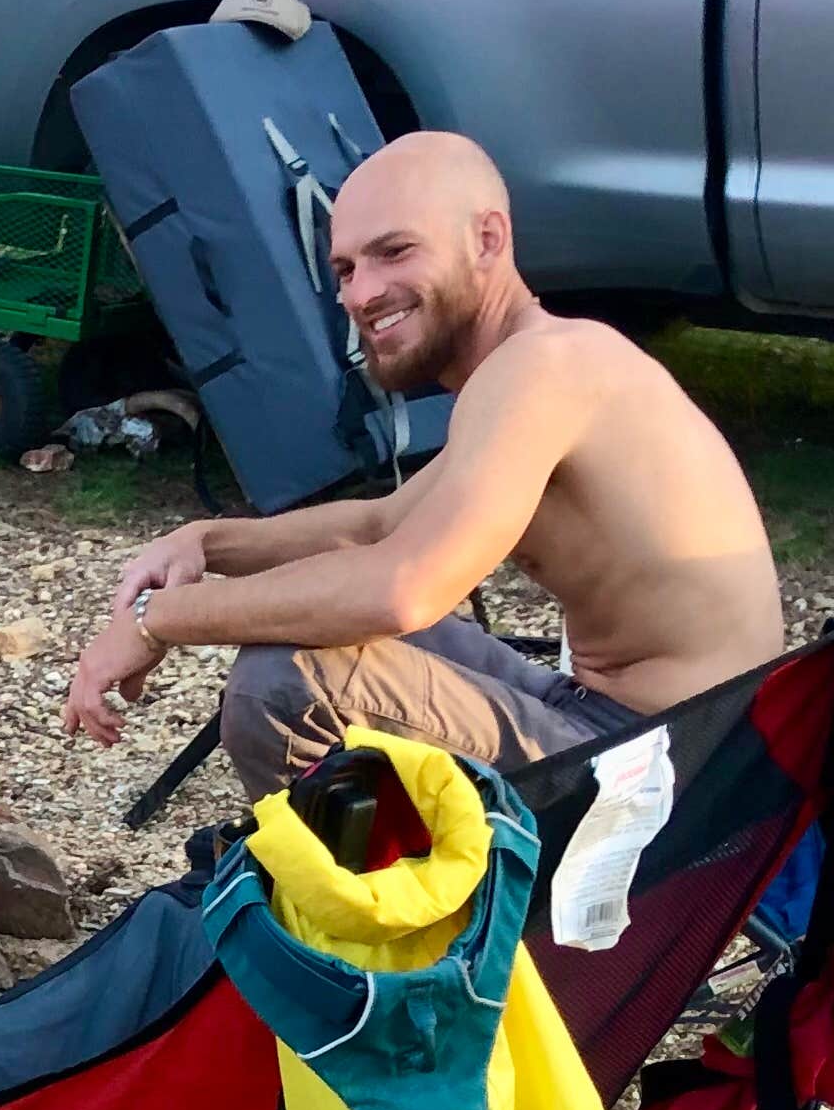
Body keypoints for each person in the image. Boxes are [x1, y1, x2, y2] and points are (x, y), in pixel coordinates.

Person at [63, 130, 785, 796]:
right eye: (345, 268)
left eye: (394, 251)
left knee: (282, 682)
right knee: (312, 623)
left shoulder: (543, 370)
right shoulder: (545, 361)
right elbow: (379, 527)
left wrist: (160, 620)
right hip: (636, 729)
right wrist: (205, 542)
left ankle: (334, 928)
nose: (361, 292)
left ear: (488, 239)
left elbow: (402, 587)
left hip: (663, 778)